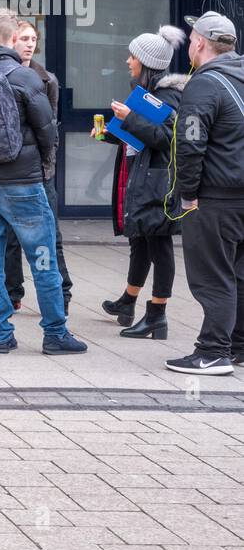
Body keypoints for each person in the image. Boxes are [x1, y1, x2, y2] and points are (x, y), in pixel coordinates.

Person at [0, 8, 85, 355]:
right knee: (42, 257)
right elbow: (47, 131)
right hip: (24, 182)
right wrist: (43, 169)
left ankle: (1, 334)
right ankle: (55, 333)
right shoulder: (25, 78)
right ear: (14, 39)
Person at [91, 25, 188, 341]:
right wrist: (109, 133)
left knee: (158, 243)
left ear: (147, 62)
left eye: (132, 56)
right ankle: (129, 301)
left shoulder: (168, 96)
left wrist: (130, 116)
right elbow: (139, 139)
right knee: (141, 240)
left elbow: (166, 140)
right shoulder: (151, 93)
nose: (127, 61)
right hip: (143, 176)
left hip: (158, 182)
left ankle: (157, 315)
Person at [166, 12, 244, 375]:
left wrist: (188, 193)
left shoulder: (203, 85)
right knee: (239, 274)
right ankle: (237, 345)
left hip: (216, 198)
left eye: (192, 36)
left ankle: (213, 351)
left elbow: (191, 142)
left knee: (213, 276)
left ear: (199, 42)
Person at [3, 19, 73, 312]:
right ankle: (12, 291)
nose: (30, 44)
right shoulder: (2, 76)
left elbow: (50, 128)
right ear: (11, 42)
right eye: (23, 39)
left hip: (39, 171)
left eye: (33, 39)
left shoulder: (48, 79)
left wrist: (47, 165)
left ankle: (63, 293)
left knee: (50, 235)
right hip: (10, 171)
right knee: (11, 237)